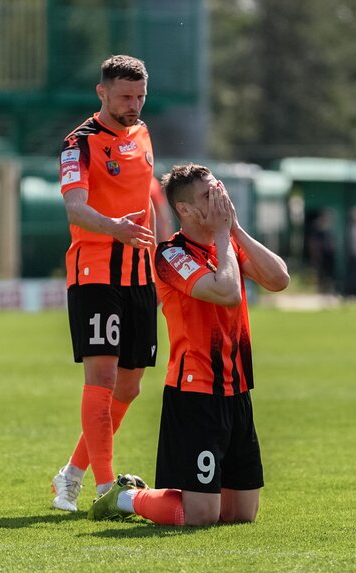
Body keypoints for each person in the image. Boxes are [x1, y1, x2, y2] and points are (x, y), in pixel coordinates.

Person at [89, 163, 289, 526]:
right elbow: (227, 292)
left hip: (236, 388)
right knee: (201, 515)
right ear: (185, 209)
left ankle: (147, 495)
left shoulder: (228, 245)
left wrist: (235, 229)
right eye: (208, 195)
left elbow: (279, 279)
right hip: (195, 392)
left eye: (219, 189)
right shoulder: (171, 255)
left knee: (240, 514)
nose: (219, 198)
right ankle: (126, 497)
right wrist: (225, 234)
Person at [50, 55, 159, 512]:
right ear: (102, 92)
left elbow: (147, 205)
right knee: (103, 377)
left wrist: (159, 255)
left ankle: (70, 474)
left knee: (129, 387)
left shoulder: (143, 133)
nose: (134, 105)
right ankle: (104, 487)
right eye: (125, 96)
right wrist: (116, 229)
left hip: (140, 274)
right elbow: (75, 208)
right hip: (94, 272)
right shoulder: (78, 143)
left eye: (140, 96)